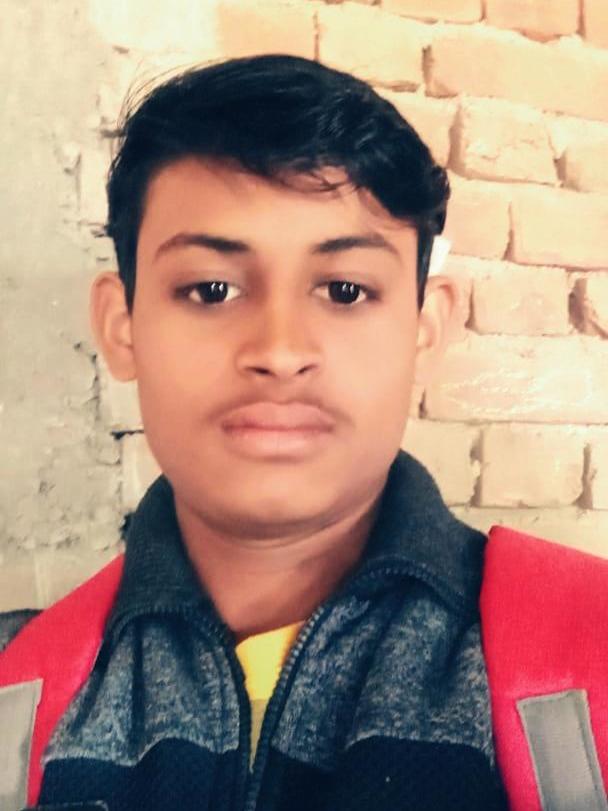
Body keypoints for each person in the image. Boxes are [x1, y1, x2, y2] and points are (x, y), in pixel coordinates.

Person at [1, 53, 513, 810]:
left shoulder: (583, 658)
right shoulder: (14, 691)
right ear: (122, 325)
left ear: (425, 329)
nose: (278, 350)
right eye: (211, 290)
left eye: (345, 291)